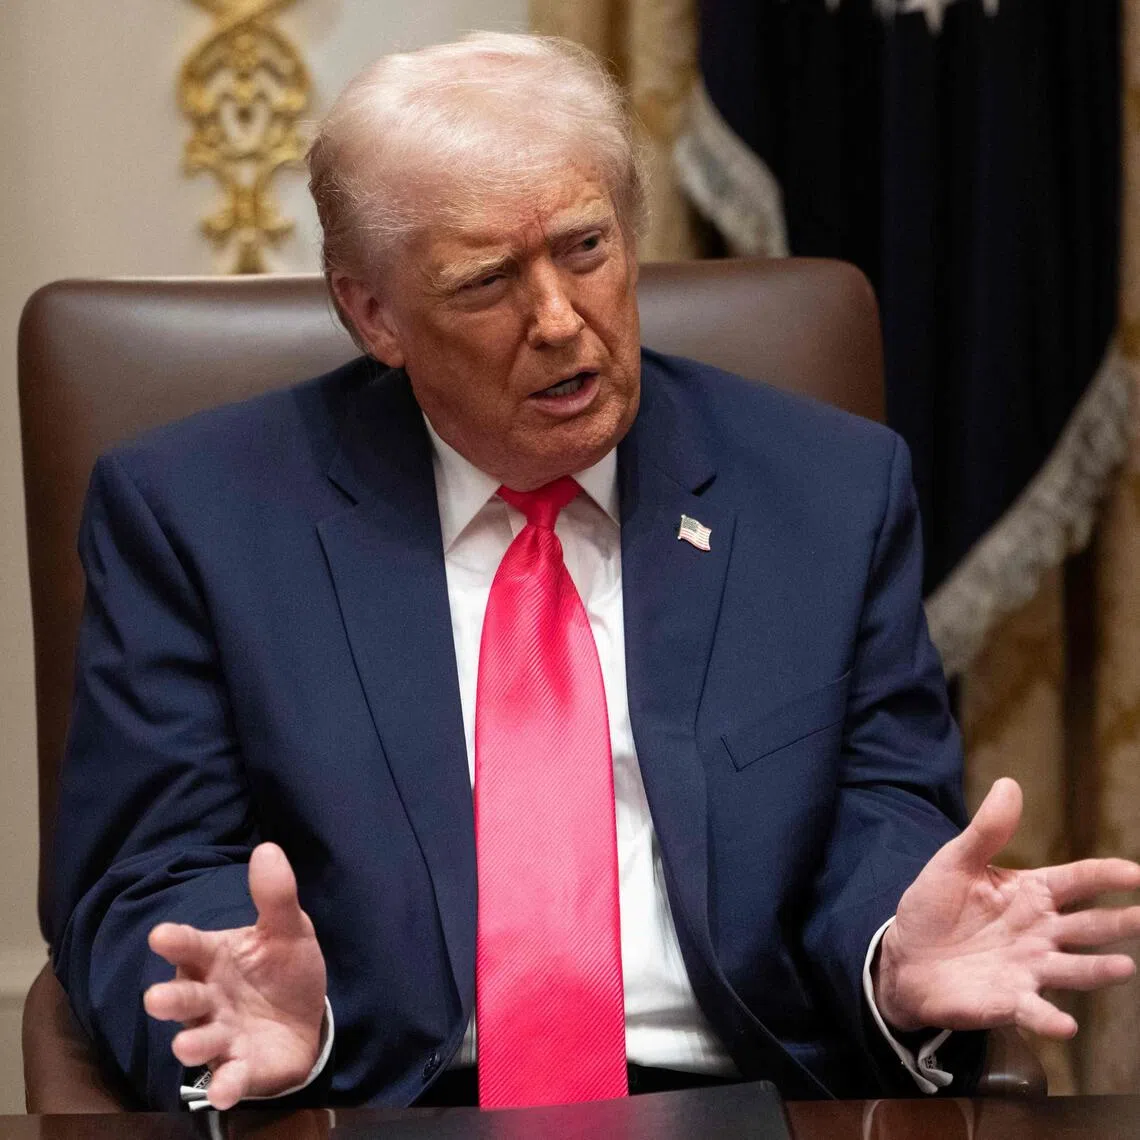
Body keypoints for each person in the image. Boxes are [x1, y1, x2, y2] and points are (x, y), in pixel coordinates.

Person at [50, 33, 1140, 1113]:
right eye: (485, 283)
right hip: (376, 1095)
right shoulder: (201, 517)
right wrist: (245, 1008)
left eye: (585, 248)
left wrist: (892, 952)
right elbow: (151, 870)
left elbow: (877, 812)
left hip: (744, 1092)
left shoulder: (825, 491)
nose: (561, 322)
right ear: (375, 314)